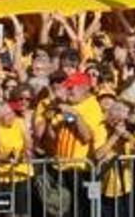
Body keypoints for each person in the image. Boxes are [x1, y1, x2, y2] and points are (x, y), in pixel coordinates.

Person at [46, 71, 107, 217]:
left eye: (71, 88)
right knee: (63, 211)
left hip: (80, 169)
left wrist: (74, 115)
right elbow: (53, 136)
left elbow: (86, 137)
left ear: (84, 88)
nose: (68, 91)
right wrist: (50, 118)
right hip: (61, 167)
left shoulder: (92, 106)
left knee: (81, 211)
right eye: (67, 88)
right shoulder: (68, 106)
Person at [0, 101, 36, 217]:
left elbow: (28, 141)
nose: (11, 116)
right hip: (4, 177)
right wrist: (6, 157)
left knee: (23, 212)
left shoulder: (20, 122)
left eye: (11, 113)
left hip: (22, 173)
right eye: (7, 115)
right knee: (8, 213)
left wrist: (26, 150)